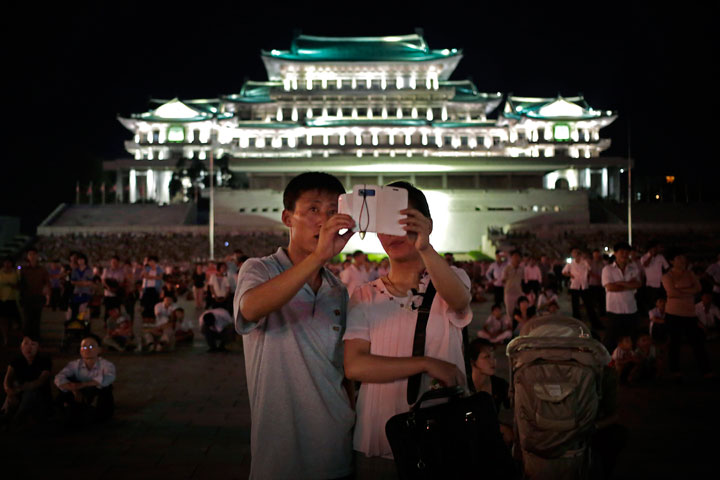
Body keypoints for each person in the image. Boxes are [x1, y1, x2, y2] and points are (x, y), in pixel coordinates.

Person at [343, 181, 472, 477]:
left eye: (403, 220)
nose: (392, 232)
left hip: (441, 437)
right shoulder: (365, 295)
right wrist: (426, 364)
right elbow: (355, 365)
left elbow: (459, 299)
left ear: (425, 223)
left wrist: (424, 245)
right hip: (377, 439)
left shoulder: (451, 280)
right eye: (384, 223)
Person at [234, 172, 356, 479]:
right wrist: (317, 258)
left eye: (332, 211)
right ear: (288, 218)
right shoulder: (259, 268)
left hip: (335, 442)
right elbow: (251, 308)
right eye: (314, 209)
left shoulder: (337, 290)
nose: (324, 220)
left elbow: (342, 370)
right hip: (279, 450)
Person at [661, 252, 713, 379]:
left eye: (684, 258)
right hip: (673, 313)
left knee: (697, 342)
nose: (683, 260)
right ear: (672, 261)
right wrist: (689, 291)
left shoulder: (690, 274)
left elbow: (698, 288)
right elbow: (672, 293)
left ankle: (705, 369)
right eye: (679, 258)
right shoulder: (668, 276)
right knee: (674, 343)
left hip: (689, 313)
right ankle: (675, 370)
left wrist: (680, 290)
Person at [55, 334, 116, 425]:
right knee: (64, 390)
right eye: (84, 346)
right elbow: (59, 378)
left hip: (96, 396)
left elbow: (109, 378)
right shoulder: (74, 365)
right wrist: (74, 389)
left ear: (99, 350)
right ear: (80, 350)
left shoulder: (106, 365)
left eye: (91, 346)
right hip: (79, 395)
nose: (87, 349)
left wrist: (84, 385)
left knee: (103, 388)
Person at [468, 338, 513, 446]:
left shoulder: (499, 385)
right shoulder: (464, 384)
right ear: (473, 361)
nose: (492, 361)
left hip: (491, 432)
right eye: (486, 357)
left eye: (494, 356)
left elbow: (513, 406)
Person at [1, 335, 52, 426]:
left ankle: (16, 420)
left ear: (38, 347)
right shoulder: (16, 361)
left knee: (31, 393)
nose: (29, 347)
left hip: (39, 396)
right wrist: (10, 392)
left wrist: (18, 390)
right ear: (21, 346)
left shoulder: (45, 361)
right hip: (18, 394)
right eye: (26, 344)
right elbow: (7, 380)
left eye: (33, 344)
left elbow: (40, 381)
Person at [602, 242, 642, 353]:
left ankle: (629, 361)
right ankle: (608, 363)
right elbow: (610, 287)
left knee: (631, 337)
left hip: (630, 308)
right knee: (611, 338)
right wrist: (629, 285)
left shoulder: (633, 268)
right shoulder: (608, 269)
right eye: (622, 252)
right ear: (615, 253)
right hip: (614, 309)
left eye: (627, 252)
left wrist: (620, 283)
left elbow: (638, 284)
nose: (625, 254)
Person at [641, 241, 669, 309]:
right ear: (650, 249)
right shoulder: (644, 257)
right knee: (651, 303)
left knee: (661, 302)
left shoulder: (660, 257)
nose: (656, 250)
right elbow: (645, 265)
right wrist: (650, 256)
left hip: (660, 283)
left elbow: (667, 267)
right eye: (654, 248)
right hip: (650, 284)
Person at [0, 256, 20, 345]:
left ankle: (12, 337)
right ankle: (5, 337)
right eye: (6, 262)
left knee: (14, 320)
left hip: (13, 299)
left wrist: (13, 285)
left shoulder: (16, 273)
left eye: (9, 262)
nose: (7, 264)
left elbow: (19, 285)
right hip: (2, 299)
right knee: (3, 319)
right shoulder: (0, 273)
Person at [101, 255, 125, 320]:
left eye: (115, 262)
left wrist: (115, 289)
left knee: (116, 310)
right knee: (107, 310)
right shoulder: (106, 270)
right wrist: (108, 287)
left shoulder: (121, 271)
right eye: (113, 262)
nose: (114, 263)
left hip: (116, 294)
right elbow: (103, 280)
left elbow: (121, 282)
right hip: (107, 293)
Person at [502, 250, 524, 319]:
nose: (516, 258)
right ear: (511, 258)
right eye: (514, 257)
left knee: (519, 310)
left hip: (518, 292)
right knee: (510, 312)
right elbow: (503, 280)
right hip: (509, 292)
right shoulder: (507, 268)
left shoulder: (521, 269)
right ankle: (510, 326)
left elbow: (522, 280)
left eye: (518, 257)